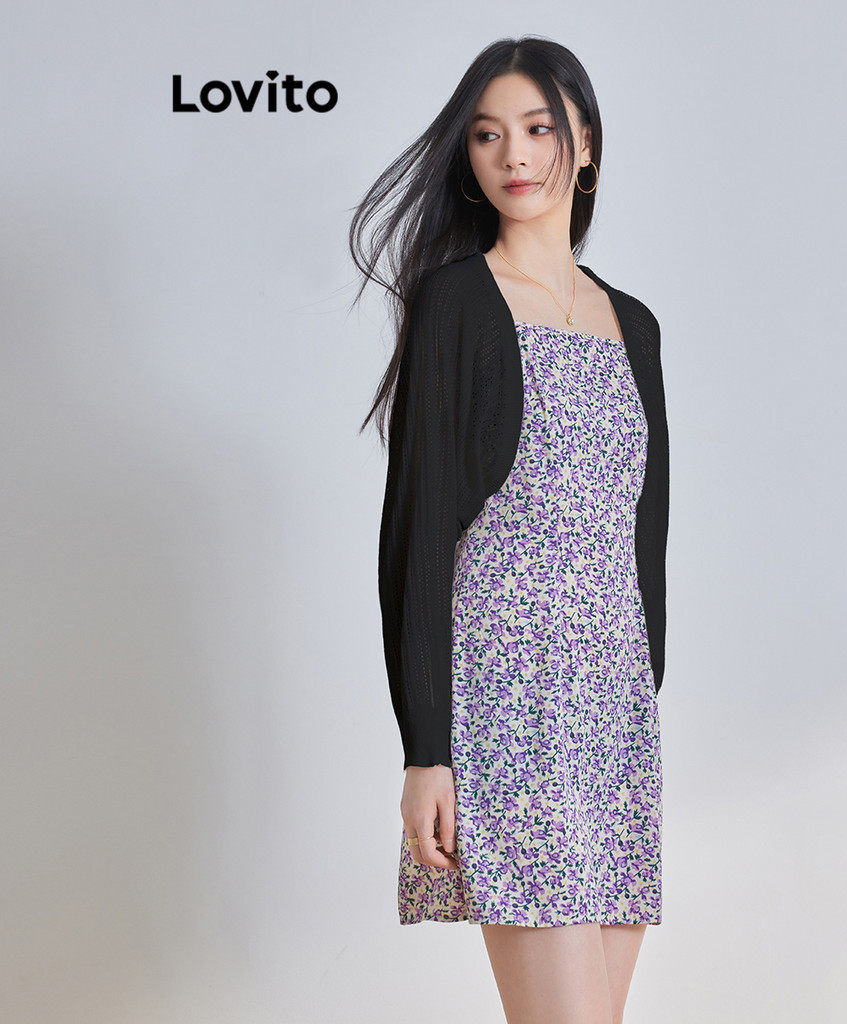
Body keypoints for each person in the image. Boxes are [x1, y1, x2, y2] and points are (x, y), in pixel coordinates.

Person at [350, 35, 670, 1024]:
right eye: (488, 135)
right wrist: (426, 750)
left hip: (612, 716)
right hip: (509, 703)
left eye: (537, 128)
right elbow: (415, 538)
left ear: (586, 143)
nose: (514, 155)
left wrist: (639, 693)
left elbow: (644, 529)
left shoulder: (635, 323)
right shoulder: (458, 302)